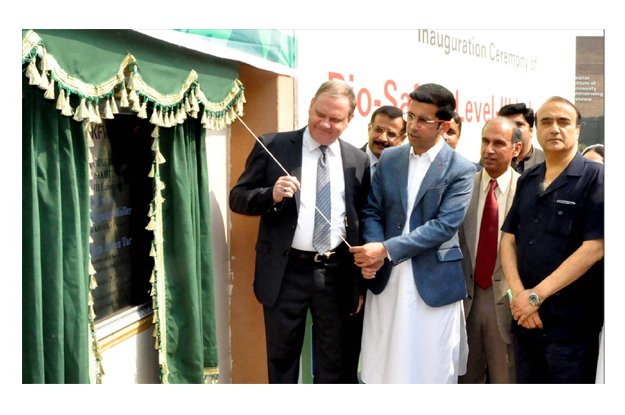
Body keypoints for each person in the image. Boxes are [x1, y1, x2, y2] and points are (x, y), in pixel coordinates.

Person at [229, 79, 371, 383]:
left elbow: (359, 223)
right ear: (310, 106)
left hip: (334, 274)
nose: (326, 123)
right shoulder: (273, 145)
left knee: (334, 363)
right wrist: (272, 194)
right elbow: (238, 198)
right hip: (285, 272)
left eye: (336, 119)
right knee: (282, 360)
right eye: (321, 114)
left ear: (349, 121)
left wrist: (357, 283)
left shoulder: (357, 160)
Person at [350, 83, 476, 383]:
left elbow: (444, 227)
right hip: (387, 279)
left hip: (431, 281)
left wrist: (385, 250)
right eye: (411, 116)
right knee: (383, 364)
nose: (413, 125)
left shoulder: (460, 168)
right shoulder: (391, 159)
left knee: (429, 367)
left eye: (424, 120)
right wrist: (373, 250)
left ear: (443, 125)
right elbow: (372, 210)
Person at [500, 96, 604, 383]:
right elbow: (508, 240)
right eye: (546, 122)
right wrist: (520, 296)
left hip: (571, 328)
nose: (555, 129)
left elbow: (595, 248)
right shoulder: (529, 178)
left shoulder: (598, 178)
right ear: (536, 129)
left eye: (563, 122)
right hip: (526, 320)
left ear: (578, 130)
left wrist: (535, 296)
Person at [458, 117, 522, 384]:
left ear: (516, 149)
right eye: (485, 141)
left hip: (506, 304)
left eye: (499, 143)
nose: (489, 150)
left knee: (505, 380)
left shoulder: (527, 189)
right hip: (464, 303)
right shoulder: (462, 186)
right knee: (464, 380)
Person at [498, 102, 545, 173]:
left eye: (519, 124)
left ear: (531, 130)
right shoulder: (495, 158)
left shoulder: (545, 161)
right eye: (508, 124)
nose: (513, 129)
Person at [361, 105, 406, 176]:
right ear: (369, 129)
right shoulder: (349, 162)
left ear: (402, 139)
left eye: (391, 134)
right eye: (378, 130)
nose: (382, 138)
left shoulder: (404, 172)